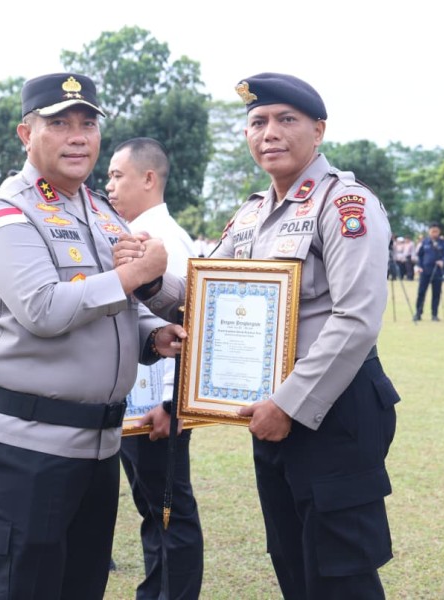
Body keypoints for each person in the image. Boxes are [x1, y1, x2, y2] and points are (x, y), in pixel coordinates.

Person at [115, 72, 400, 599]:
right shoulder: (250, 215)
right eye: (257, 122)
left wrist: (289, 403)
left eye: (285, 120)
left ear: (318, 131)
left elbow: (355, 319)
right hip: (267, 412)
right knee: (291, 558)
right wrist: (153, 280)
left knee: (340, 572)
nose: (269, 132)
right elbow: (204, 298)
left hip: (333, 409)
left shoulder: (345, 206)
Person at [0, 72, 185, 600]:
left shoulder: (101, 213)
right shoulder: (6, 213)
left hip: (97, 447)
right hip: (20, 447)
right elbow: (43, 309)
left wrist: (152, 333)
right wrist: (133, 274)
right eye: (59, 124)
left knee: (80, 586)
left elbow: (114, 304)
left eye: (87, 123)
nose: (78, 136)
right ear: (25, 134)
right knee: (17, 588)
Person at [106, 137, 204, 599]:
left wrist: (171, 403)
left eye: (116, 175)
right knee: (151, 509)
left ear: (149, 178)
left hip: (156, 411)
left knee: (170, 510)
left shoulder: (167, 242)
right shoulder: (126, 235)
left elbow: (183, 326)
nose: (108, 185)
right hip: (133, 406)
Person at [413, 222, 444, 322]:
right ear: (429, 231)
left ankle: (434, 314)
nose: (434, 233)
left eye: (436, 231)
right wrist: (419, 266)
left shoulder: (443, 243)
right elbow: (419, 256)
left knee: (436, 294)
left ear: (439, 232)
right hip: (425, 271)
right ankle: (418, 313)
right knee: (421, 293)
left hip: (437, 271)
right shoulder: (424, 242)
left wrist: (443, 261)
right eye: (432, 231)